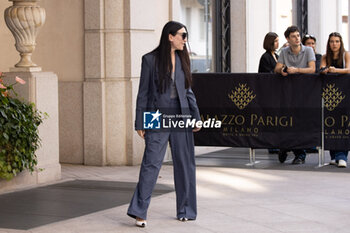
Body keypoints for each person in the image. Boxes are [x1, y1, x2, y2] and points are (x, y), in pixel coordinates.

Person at [127, 21, 201, 227]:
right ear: (170, 36)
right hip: (155, 115)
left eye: (186, 36)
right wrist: (140, 121)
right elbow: (143, 93)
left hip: (181, 115)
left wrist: (196, 117)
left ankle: (185, 210)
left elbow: (188, 91)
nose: (185, 40)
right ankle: (139, 211)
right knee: (151, 164)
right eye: (182, 35)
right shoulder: (149, 60)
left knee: (185, 165)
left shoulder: (183, 59)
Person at [274, 25, 316, 164]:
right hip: (288, 93)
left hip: (305, 92)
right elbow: (277, 68)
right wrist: (283, 70)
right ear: (288, 38)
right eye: (293, 36)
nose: (297, 38)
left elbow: (312, 69)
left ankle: (300, 154)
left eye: (298, 35)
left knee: (301, 122)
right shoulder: (285, 51)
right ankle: (285, 147)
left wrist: (296, 70)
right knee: (287, 121)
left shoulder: (308, 50)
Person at [320, 32, 350, 168]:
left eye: (337, 41)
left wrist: (336, 70)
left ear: (341, 42)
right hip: (329, 94)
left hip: (345, 93)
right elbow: (321, 68)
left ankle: (342, 156)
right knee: (330, 123)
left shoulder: (346, 54)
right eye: (332, 41)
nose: (334, 44)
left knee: (343, 123)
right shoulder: (325, 56)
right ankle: (333, 156)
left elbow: (349, 69)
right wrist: (325, 70)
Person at [258, 32, 280, 154]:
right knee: (270, 119)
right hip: (268, 92)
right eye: (276, 41)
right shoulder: (265, 57)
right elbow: (265, 75)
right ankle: (271, 145)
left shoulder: (276, 55)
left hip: (277, 92)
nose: (278, 43)